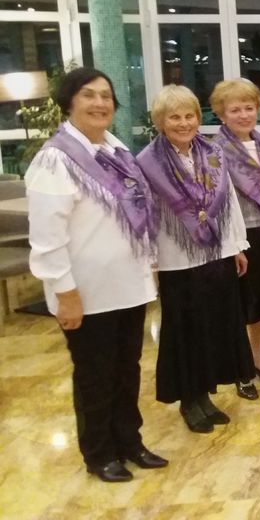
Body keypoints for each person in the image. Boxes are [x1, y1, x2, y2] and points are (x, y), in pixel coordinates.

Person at [27, 67, 167, 482]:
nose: (100, 103)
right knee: (95, 375)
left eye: (106, 95)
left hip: (128, 287)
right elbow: (47, 237)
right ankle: (99, 453)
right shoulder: (56, 159)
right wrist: (64, 293)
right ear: (69, 102)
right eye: (89, 95)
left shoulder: (116, 152)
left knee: (127, 370)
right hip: (86, 293)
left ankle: (130, 442)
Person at [136, 85, 255, 434]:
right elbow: (145, 214)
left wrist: (236, 246)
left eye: (189, 115)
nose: (183, 123)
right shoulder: (148, 162)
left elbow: (228, 201)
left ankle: (205, 395)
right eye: (174, 117)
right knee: (185, 332)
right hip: (177, 258)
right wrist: (151, 261)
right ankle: (189, 400)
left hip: (216, 253)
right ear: (161, 121)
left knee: (213, 326)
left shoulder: (212, 152)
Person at [211, 79, 260, 400]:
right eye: (235, 109)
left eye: (249, 108)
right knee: (237, 308)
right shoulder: (215, 150)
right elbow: (217, 202)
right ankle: (239, 369)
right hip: (237, 239)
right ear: (221, 114)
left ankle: (257, 358)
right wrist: (231, 245)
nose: (244, 115)